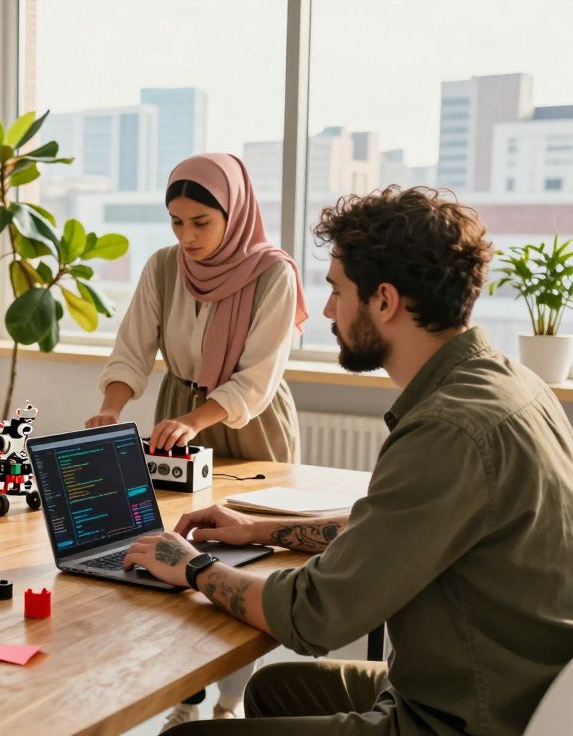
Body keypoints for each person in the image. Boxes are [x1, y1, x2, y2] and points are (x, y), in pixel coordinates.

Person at [125, 186, 573, 735]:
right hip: (506, 683)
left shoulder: (448, 429)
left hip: (465, 716)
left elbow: (314, 616)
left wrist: (190, 565)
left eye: (337, 292)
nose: (329, 310)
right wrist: (262, 529)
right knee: (273, 688)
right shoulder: (507, 382)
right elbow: (394, 533)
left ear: (384, 300)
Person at [89, 153, 308, 727]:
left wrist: (197, 419)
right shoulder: (164, 267)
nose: (187, 237)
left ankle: (230, 707)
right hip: (177, 414)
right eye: (176, 222)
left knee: (249, 561)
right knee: (173, 550)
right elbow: (131, 348)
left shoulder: (273, 274)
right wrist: (111, 409)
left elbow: (258, 376)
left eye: (200, 223)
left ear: (233, 214)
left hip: (249, 423)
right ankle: (184, 702)